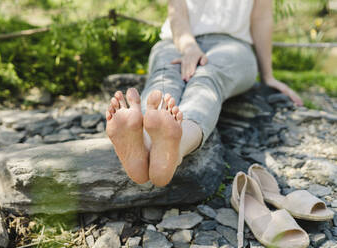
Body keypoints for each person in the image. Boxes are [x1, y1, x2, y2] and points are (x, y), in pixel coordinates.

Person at [105, 0, 303, 187]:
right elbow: (177, 11)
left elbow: (261, 19)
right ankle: (147, 144)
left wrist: (268, 76)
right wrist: (189, 48)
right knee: (167, 79)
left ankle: (170, 145)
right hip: (175, 41)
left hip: (232, 46)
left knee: (202, 78)